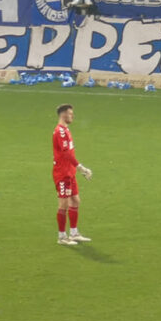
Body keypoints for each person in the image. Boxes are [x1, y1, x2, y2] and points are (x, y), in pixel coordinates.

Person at [52, 104, 92, 246]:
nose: (72, 116)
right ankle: (62, 237)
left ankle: (74, 233)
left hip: (70, 173)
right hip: (62, 173)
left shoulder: (66, 130)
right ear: (63, 115)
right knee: (63, 204)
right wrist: (81, 167)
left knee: (75, 201)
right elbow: (66, 153)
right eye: (70, 113)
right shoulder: (60, 132)